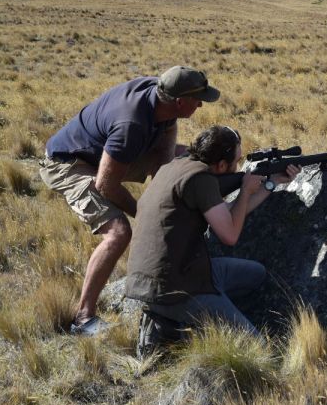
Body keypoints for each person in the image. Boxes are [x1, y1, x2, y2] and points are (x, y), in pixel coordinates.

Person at [39, 66, 219, 335]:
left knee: (185, 161)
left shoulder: (162, 95)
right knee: (119, 233)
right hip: (69, 163)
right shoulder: (130, 126)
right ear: (180, 102)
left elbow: (164, 155)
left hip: (103, 152)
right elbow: (106, 185)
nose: (201, 105)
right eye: (198, 99)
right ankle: (83, 317)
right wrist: (145, 214)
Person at [124, 126, 299, 356]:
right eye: (236, 161)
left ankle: (196, 315)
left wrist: (270, 183)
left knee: (256, 274)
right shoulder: (201, 179)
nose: (239, 167)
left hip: (158, 280)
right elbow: (230, 236)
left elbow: (225, 213)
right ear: (222, 166)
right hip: (178, 290)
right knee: (260, 349)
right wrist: (245, 190)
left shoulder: (176, 165)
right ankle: (183, 327)